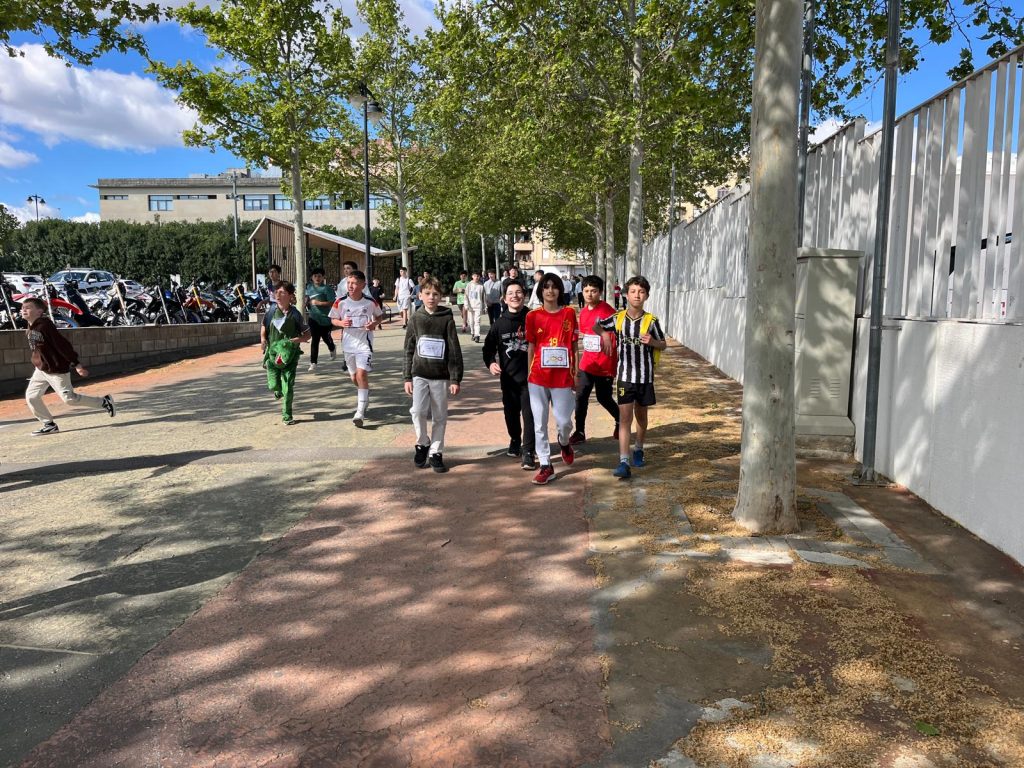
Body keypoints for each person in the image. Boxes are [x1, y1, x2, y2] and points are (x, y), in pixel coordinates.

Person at [597, 275, 667, 479]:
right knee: (624, 418)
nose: (637, 295)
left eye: (641, 292)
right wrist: (604, 335)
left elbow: (663, 344)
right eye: (633, 291)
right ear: (626, 295)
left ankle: (639, 448)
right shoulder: (617, 318)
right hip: (624, 377)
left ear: (647, 296)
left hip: (645, 378)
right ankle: (623, 461)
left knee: (641, 417)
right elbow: (596, 325)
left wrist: (653, 342)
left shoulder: (651, 321)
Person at [21, 296, 115, 436]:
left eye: (28, 308)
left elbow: (63, 345)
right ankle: (49, 424)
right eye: (22, 308)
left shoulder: (45, 326)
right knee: (31, 397)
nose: (23, 310)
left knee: (69, 399)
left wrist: (76, 364)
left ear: (39, 311)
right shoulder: (30, 328)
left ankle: (103, 402)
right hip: (41, 369)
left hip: (56, 369)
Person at [403, 277, 462, 473]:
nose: (431, 297)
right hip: (419, 373)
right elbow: (408, 348)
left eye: (435, 294)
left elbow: (454, 348)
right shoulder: (415, 318)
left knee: (439, 415)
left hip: (440, 375)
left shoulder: (447, 318)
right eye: (427, 294)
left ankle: (436, 451)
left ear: (441, 296)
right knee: (418, 411)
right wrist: (407, 377)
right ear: (420, 295)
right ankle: (422, 443)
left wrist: (455, 377)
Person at [525, 272, 578, 485]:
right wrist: (529, 372)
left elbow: (574, 345)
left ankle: (564, 442)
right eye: (546, 286)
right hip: (538, 376)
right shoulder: (532, 316)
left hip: (563, 377)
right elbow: (531, 346)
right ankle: (546, 464)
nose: (550, 290)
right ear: (540, 291)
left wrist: (576, 371)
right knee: (539, 422)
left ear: (560, 290)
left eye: (554, 286)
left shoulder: (569, 313)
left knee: (564, 422)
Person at [483, 280, 536, 470]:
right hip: (509, 379)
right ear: (504, 299)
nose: (515, 296)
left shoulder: (533, 318)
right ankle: (515, 439)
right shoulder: (499, 324)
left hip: (532, 379)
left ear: (524, 295)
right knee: (511, 414)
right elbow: (488, 348)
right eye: (511, 293)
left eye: (519, 292)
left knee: (530, 415)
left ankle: (529, 451)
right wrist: (491, 363)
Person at [329, 270, 383, 427]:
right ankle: (364, 393)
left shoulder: (370, 302)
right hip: (348, 345)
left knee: (361, 374)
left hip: (364, 345)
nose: (350, 286)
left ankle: (360, 412)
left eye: (353, 283)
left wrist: (374, 323)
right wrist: (341, 323)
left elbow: (379, 316)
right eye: (348, 283)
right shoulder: (340, 302)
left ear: (362, 285)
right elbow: (333, 319)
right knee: (354, 378)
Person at [570, 275, 619, 445]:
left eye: (594, 291)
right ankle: (580, 431)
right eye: (586, 291)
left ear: (601, 292)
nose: (589, 294)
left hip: (604, 363)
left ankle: (620, 420)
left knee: (603, 397)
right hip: (588, 363)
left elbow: (615, 337)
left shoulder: (608, 312)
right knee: (581, 396)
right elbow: (585, 335)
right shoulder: (583, 312)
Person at [260, 282, 311, 425]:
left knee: (288, 386)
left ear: (290, 296)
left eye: (282, 292)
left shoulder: (295, 314)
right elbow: (263, 326)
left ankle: (287, 415)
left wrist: (296, 340)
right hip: (272, 356)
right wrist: (263, 339)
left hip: (290, 357)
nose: (277, 294)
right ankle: (277, 389)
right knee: (273, 385)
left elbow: (307, 335)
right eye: (276, 292)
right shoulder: (271, 311)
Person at [305, 268, 336, 373]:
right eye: (315, 276)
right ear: (311, 277)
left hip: (325, 318)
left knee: (326, 338)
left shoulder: (327, 289)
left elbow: (332, 303)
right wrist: (305, 302)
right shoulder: (309, 287)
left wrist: (319, 303)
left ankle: (332, 348)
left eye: (319, 276)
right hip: (313, 318)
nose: (317, 278)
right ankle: (313, 362)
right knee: (315, 340)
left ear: (323, 277)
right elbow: (306, 298)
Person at [464, 271, 486, 342]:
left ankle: (477, 335)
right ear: (472, 276)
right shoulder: (469, 285)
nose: (476, 277)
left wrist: (485, 307)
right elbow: (466, 296)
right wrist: (466, 304)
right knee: (471, 322)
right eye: (475, 276)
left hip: (478, 306)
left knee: (477, 321)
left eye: (478, 276)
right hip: (470, 306)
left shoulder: (481, 286)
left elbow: (484, 297)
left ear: (479, 277)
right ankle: (472, 333)